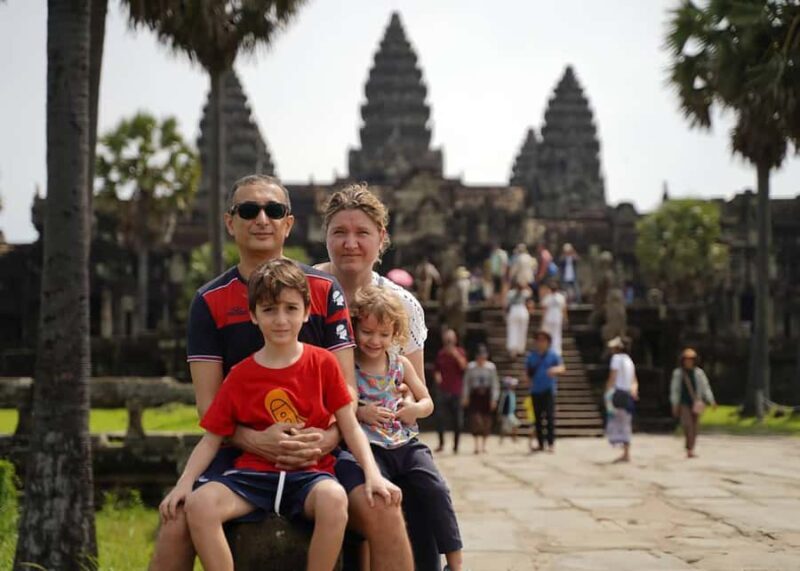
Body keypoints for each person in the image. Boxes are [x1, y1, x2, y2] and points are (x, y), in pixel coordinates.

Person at [150, 175, 412, 571]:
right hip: (239, 450)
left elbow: (345, 390)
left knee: (384, 510)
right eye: (248, 210)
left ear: (288, 224)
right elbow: (209, 405)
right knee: (175, 523)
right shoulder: (210, 301)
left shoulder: (323, 290)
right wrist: (258, 441)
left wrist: (323, 441)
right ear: (230, 222)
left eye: (273, 210)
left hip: (322, 446)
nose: (261, 219)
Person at [313, 183, 434, 569]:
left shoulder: (403, 305)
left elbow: (417, 389)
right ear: (325, 236)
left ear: (382, 239)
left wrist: (408, 407)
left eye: (362, 232)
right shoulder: (301, 292)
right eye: (340, 232)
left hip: (385, 441)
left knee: (423, 498)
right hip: (320, 437)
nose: (351, 243)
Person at [336, 285, 464, 571]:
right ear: (354, 327)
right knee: (376, 498)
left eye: (383, 334)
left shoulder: (400, 364)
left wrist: (414, 410)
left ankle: (455, 562)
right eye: (367, 332)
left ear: (395, 334)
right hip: (370, 447)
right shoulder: (350, 366)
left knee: (437, 488)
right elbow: (340, 407)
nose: (374, 341)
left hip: (405, 442)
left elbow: (427, 401)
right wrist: (361, 411)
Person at [670, 348, 717, 458]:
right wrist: (674, 403)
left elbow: (706, 387)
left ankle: (691, 448)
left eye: (691, 359)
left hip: (696, 403)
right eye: (687, 359)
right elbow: (674, 389)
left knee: (695, 426)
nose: (689, 361)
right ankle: (689, 449)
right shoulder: (678, 373)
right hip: (684, 403)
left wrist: (711, 400)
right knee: (688, 425)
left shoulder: (699, 373)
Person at [525, 331, 565, 453]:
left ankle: (551, 443)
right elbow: (527, 371)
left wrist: (555, 370)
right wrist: (528, 382)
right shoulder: (531, 356)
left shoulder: (553, 355)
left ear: (548, 342)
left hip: (548, 390)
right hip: (535, 390)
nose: (541, 342)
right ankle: (541, 443)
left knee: (550, 417)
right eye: (539, 340)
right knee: (537, 418)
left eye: (543, 340)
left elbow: (562, 368)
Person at [604, 336, 638, 463]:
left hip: (618, 392)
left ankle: (624, 449)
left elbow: (612, 377)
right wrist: (634, 390)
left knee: (617, 420)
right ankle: (626, 451)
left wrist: (607, 391)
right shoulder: (629, 360)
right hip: (628, 393)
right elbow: (634, 380)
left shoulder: (616, 359)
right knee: (626, 422)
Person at [461, 344, 500, 455]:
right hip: (475, 395)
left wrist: (494, 399)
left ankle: (484, 445)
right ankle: (476, 445)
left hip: (486, 395)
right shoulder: (471, 367)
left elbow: (494, 384)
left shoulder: (491, 368)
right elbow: (466, 383)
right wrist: (465, 396)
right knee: (475, 420)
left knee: (487, 421)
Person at [434, 328, 468, 454]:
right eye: (447, 339)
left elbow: (464, 367)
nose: (448, 341)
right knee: (440, 418)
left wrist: (455, 354)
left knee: (457, 420)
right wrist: (437, 376)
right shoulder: (441, 354)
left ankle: (456, 445)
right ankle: (441, 443)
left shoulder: (460, 352)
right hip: (443, 389)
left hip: (456, 390)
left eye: (451, 339)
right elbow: (436, 368)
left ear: (455, 340)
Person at [538, 281, 567, 356]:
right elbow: (564, 309)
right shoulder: (561, 297)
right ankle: (557, 351)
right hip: (557, 317)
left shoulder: (547, 297)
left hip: (549, 317)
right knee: (557, 333)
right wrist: (565, 318)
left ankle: (550, 349)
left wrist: (542, 320)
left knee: (549, 334)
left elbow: (544, 310)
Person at [505, 283, 533, 359]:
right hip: (521, 310)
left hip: (514, 310)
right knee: (521, 331)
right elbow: (531, 292)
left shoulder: (510, 293)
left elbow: (507, 305)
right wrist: (526, 285)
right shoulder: (524, 292)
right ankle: (520, 349)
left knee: (513, 330)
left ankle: (514, 349)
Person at [497, 376, 520, 444]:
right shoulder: (505, 394)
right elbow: (501, 404)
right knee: (504, 428)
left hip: (511, 413)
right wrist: (500, 413)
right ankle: (502, 440)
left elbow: (513, 405)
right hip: (506, 414)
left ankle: (514, 438)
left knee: (515, 424)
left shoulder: (512, 393)